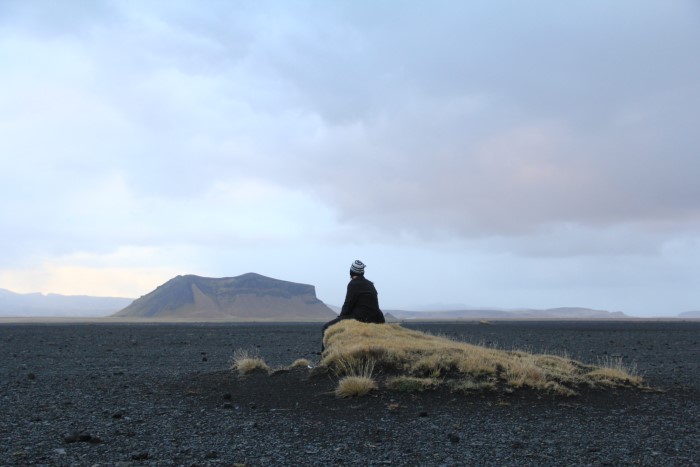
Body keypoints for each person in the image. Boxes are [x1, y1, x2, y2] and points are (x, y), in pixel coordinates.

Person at [321, 260, 385, 352]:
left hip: (361, 318)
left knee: (326, 327)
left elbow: (348, 304)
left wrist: (341, 317)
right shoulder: (370, 284)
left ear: (351, 272)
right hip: (377, 318)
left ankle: (324, 359)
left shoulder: (353, 284)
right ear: (362, 272)